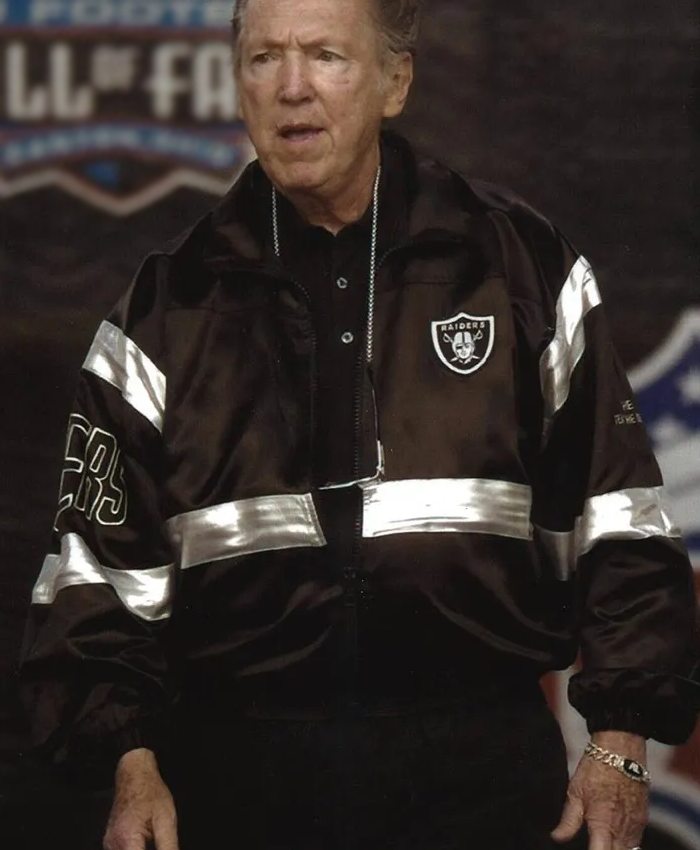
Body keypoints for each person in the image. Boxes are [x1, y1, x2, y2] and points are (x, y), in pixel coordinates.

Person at [19, 0, 699, 848]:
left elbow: (621, 520)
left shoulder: (518, 266)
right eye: (264, 58)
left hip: (479, 775)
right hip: (238, 786)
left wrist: (622, 740)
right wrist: (130, 761)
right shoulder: (164, 311)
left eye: (326, 56)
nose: (292, 87)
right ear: (237, 84)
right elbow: (94, 582)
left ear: (394, 82)